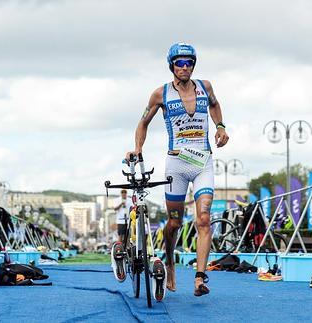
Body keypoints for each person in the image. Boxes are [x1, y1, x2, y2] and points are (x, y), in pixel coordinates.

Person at [125, 42, 229, 297]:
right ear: (171, 66)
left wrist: (220, 126)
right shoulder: (160, 94)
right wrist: (138, 149)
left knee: (204, 218)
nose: (185, 67)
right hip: (177, 164)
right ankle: (169, 260)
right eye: (180, 63)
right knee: (174, 222)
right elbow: (143, 123)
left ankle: (200, 278)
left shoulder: (205, 87)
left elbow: (215, 105)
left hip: (203, 161)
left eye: (189, 62)